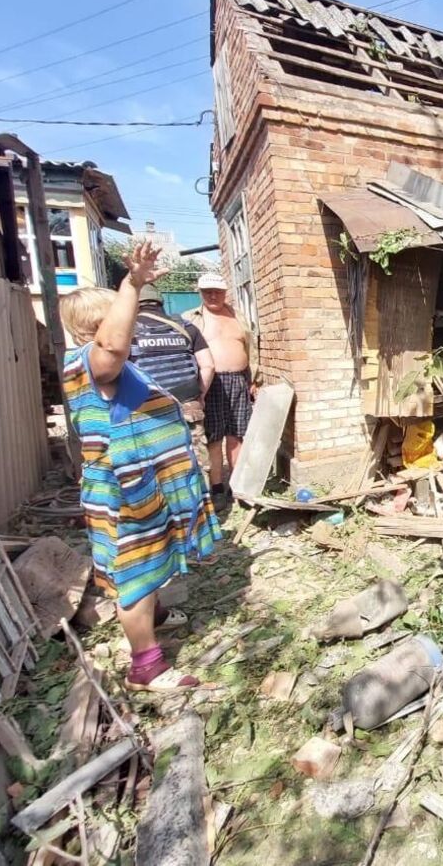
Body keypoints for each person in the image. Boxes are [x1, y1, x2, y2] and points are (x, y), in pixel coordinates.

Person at [58, 241, 222, 693]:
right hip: (126, 490)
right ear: (98, 324)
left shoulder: (114, 367)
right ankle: (145, 666)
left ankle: (155, 617)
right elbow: (113, 343)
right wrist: (131, 282)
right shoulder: (93, 362)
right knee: (134, 572)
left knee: (152, 560)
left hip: (144, 487)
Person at [184, 272, 254, 512]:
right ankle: (216, 489)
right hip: (210, 385)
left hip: (239, 382)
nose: (213, 295)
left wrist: (254, 379)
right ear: (200, 292)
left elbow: (251, 347)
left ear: (226, 291)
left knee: (237, 436)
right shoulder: (190, 320)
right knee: (213, 439)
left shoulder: (238, 316)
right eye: (207, 291)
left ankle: (237, 486)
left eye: (217, 291)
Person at [131, 284, 215, 467]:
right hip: (188, 401)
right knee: (196, 459)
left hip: (146, 407)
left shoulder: (127, 331)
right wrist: (200, 395)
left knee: (155, 461)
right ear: (160, 302)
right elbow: (207, 366)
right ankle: (202, 494)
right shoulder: (186, 327)